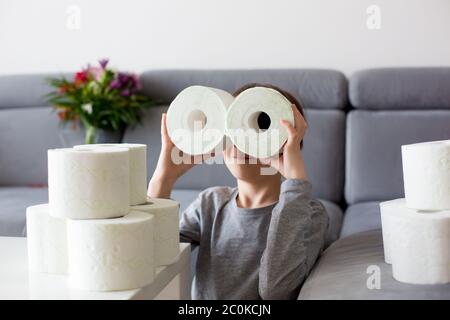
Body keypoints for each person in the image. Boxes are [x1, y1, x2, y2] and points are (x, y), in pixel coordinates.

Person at [148, 83, 328, 300]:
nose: (237, 141)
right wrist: (164, 178)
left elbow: (277, 290)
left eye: (257, 127)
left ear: (286, 142)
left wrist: (296, 181)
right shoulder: (210, 204)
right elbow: (151, 256)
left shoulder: (309, 213)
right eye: (230, 126)